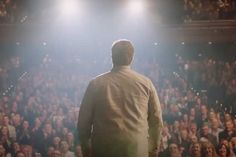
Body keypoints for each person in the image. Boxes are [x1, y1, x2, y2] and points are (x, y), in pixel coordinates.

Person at [77, 39, 163, 157]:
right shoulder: (146, 83)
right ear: (132, 58)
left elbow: (83, 123)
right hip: (137, 149)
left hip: (103, 149)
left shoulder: (95, 84)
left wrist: (87, 150)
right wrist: (153, 150)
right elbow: (157, 121)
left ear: (112, 57)